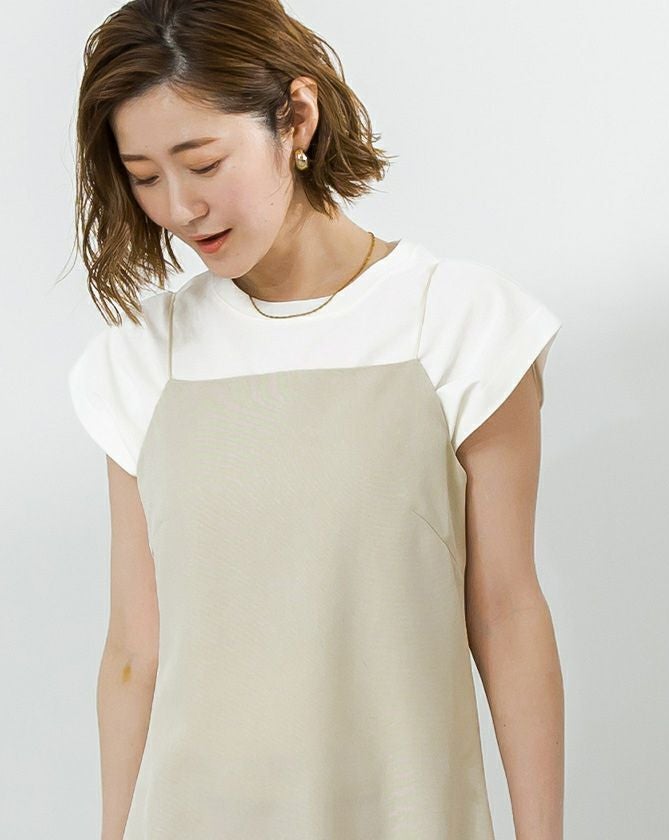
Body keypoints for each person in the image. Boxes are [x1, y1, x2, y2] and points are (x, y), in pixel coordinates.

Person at [67, 1, 565, 838]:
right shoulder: (146, 359)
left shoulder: (463, 327)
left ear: (297, 117)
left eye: (203, 162)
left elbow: (507, 616)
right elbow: (132, 651)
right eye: (145, 177)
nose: (181, 208)